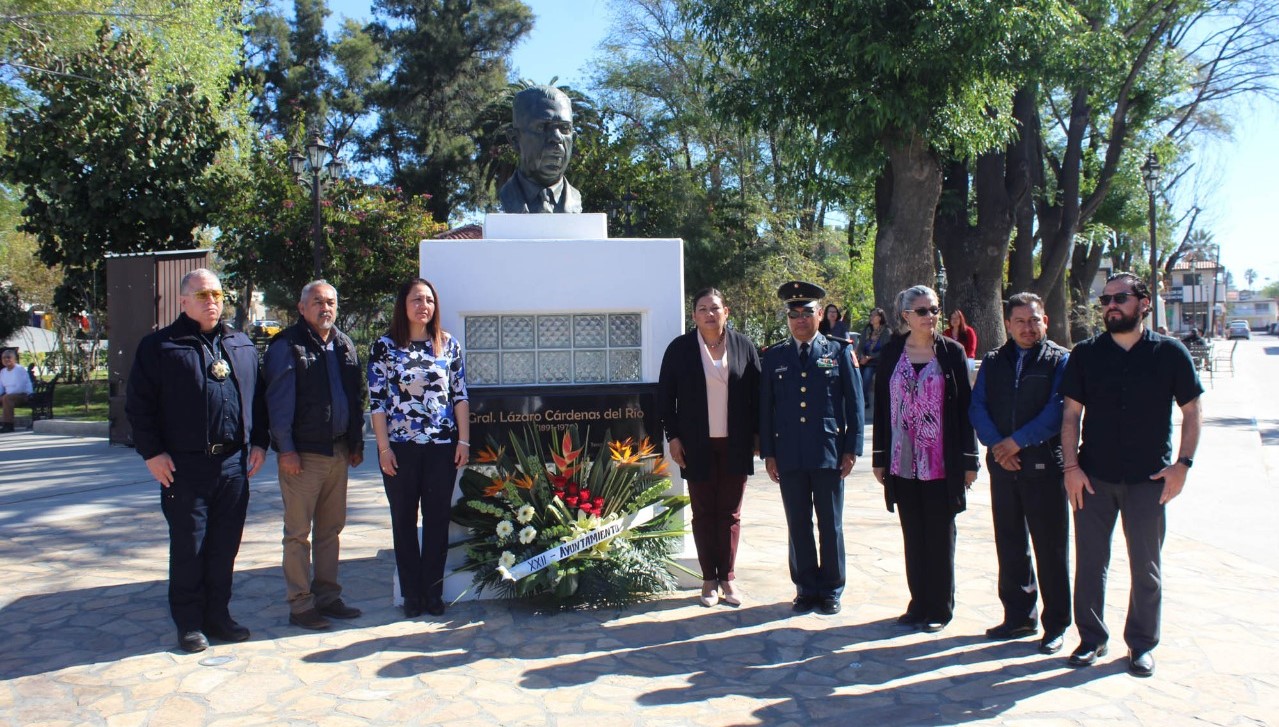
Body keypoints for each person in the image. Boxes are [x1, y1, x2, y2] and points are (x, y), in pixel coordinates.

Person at [1060, 272, 1202, 678]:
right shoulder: (1085, 354)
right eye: (1105, 299)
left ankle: (1141, 644)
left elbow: (1192, 411)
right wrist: (1070, 468)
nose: (1110, 305)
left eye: (1119, 297)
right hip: (1093, 478)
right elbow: (1070, 414)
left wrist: (1183, 465)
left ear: (1143, 303)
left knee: (1146, 568)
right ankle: (1091, 639)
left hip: (1149, 481)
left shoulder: (1171, 354)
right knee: (1089, 563)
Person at [125, 268, 268, 653]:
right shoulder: (160, 346)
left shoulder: (239, 343)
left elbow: (258, 398)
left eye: (218, 295)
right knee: (190, 547)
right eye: (203, 295)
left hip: (234, 465)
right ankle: (189, 623)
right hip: (184, 468)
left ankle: (218, 616)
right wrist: (152, 453)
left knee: (225, 546)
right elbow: (139, 407)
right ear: (183, 301)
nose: (212, 302)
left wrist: (259, 442)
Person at [968, 292, 1071, 654]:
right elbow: (977, 405)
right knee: (1010, 544)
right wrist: (998, 444)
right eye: (1020, 321)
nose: (1028, 328)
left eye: (1035, 320)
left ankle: (1056, 624)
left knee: (1051, 548)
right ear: (1008, 324)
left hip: (1043, 466)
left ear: (1046, 321)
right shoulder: (994, 361)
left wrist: (1017, 442)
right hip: (1004, 467)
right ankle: (1018, 616)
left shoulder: (1060, 360)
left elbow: (1059, 409)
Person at [872, 285, 978, 633]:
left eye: (934, 309)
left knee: (940, 535)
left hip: (940, 463)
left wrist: (968, 460)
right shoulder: (890, 354)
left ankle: (939, 607)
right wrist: (879, 457)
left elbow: (966, 408)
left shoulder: (952, 352)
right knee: (913, 535)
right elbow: (883, 407)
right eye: (922, 311)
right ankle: (918, 603)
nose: (931, 316)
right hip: (902, 464)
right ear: (905, 316)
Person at [264, 280, 366, 631]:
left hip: (339, 452)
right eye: (318, 302)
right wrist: (286, 449)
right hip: (303, 457)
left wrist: (356, 443)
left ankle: (327, 597)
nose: (326, 308)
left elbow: (356, 397)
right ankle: (300, 604)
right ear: (302, 308)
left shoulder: (344, 344)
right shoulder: (286, 346)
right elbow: (277, 404)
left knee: (330, 530)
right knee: (297, 533)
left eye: (331, 302)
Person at [760, 281, 864, 616]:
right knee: (798, 522)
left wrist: (852, 448)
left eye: (807, 313)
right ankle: (806, 588)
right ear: (787, 319)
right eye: (794, 314)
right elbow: (766, 408)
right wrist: (768, 452)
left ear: (820, 314)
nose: (800, 320)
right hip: (789, 453)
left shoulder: (838, 351)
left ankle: (832, 587)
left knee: (830, 523)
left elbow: (855, 403)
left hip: (828, 450)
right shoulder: (774, 356)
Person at [368, 278, 470, 618]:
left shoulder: (447, 344)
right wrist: (384, 449)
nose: (423, 305)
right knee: (404, 521)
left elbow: (460, 396)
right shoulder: (385, 347)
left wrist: (464, 440)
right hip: (400, 449)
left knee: (438, 520)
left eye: (428, 300)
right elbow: (377, 402)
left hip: (442, 447)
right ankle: (412, 595)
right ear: (404, 304)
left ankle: (432, 594)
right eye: (416, 299)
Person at [658, 288, 761, 608]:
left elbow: (758, 395)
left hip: (736, 442)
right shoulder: (680, 349)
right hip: (695, 444)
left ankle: (727, 579)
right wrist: (673, 437)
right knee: (703, 513)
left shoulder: (743, 346)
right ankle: (708, 580)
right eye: (702, 309)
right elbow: (665, 398)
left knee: (730, 513)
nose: (709, 314)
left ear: (726, 312)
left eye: (715, 308)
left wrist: (759, 436)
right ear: (694, 316)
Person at [498, 86, 582, 214]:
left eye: (565, 128)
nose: (556, 137)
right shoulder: (507, 197)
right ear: (515, 139)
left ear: (573, 139)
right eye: (542, 127)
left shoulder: (575, 200)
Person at [857, 308, 889, 407]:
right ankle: (856, 398)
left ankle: (864, 400)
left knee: (867, 374)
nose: (870, 317)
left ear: (879, 318)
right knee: (855, 374)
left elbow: (885, 350)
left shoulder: (886, 331)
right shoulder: (867, 330)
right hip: (864, 360)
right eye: (870, 315)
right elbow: (860, 346)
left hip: (877, 361)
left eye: (873, 315)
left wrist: (870, 357)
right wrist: (862, 356)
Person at [0, 349, 33, 432]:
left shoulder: (19, 370)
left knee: (7, 398)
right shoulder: (3, 372)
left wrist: (5, 396)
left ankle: (8, 425)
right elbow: (1, 387)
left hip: (23, 395)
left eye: (9, 357)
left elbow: (20, 387)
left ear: (14, 359)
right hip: (9, 396)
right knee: (6, 398)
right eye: (4, 358)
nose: (6, 359)